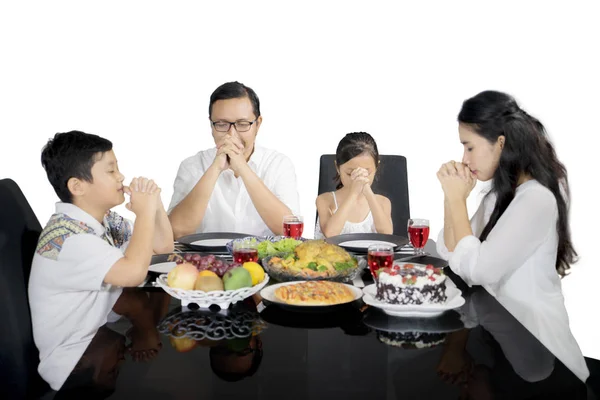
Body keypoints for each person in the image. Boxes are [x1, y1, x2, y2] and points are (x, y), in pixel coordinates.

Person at [435, 90, 588, 381]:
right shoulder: (499, 196)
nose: (464, 159)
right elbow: (451, 253)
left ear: (500, 144)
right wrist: (451, 198)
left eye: (469, 147)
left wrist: (457, 201)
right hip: (499, 333)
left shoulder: (535, 199)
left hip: (538, 352)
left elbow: (478, 270)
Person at [28, 130, 174, 390]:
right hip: (75, 364)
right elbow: (133, 273)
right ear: (77, 186)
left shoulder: (103, 220)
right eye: (111, 171)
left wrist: (156, 204)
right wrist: (144, 213)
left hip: (98, 338)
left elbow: (161, 247)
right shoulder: (69, 240)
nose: (121, 177)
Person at [168, 81, 300, 238]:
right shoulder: (192, 166)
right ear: (211, 125)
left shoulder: (278, 164)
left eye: (242, 124)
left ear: (258, 124)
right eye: (222, 124)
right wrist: (215, 169)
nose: (231, 134)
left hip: (264, 260)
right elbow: (175, 232)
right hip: (205, 260)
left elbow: (290, 231)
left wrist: (243, 168)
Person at [314, 132, 392, 238]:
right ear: (338, 168)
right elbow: (330, 233)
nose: (358, 178)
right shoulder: (324, 200)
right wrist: (353, 194)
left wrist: (368, 193)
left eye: (366, 172)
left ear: (376, 167)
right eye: (350, 173)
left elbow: (387, 234)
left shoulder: (383, 202)